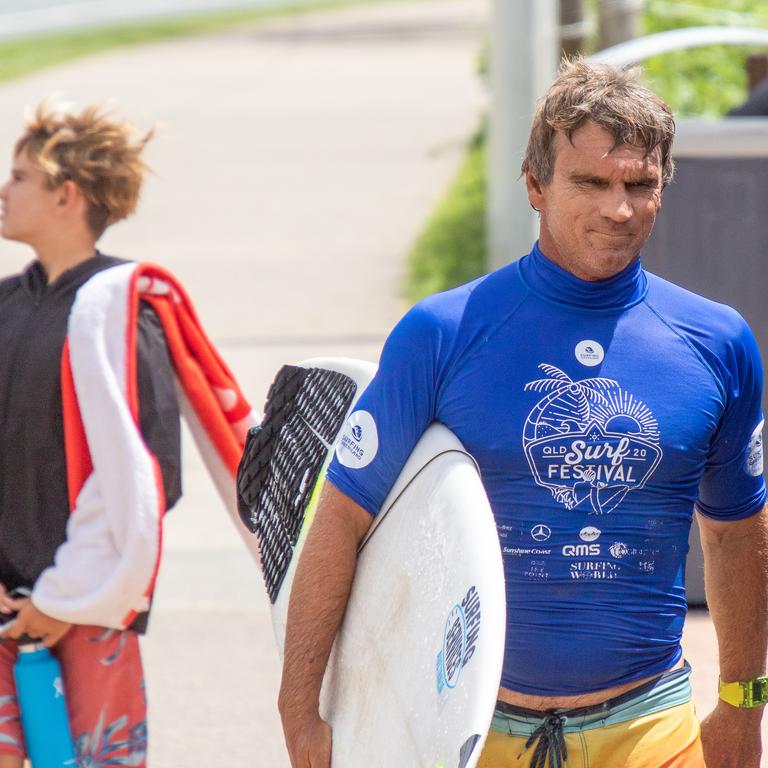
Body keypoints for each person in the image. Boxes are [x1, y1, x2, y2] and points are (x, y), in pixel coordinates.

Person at [278, 59, 767, 768]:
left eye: (639, 185)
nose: (619, 209)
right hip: (471, 721)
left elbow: (736, 534)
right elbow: (343, 517)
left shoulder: (716, 342)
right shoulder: (443, 333)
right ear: (536, 185)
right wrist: (300, 710)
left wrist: (743, 702)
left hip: (647, 722)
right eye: (591, 183)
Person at [0, 103, 256, 767]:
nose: (4, 190)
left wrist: (63, 597)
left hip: (85, 609)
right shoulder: (2, 307)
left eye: (19, 177)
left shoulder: (120, 314)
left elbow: (147, 477)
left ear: (66, 194)